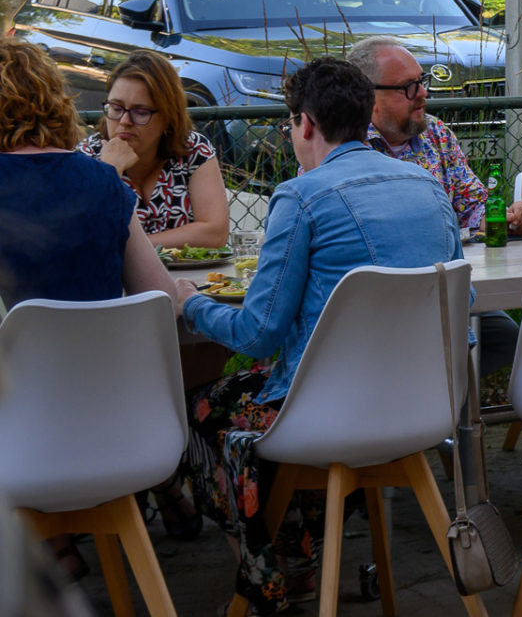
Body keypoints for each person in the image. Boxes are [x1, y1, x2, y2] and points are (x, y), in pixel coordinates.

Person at [175, 57, 465, 615]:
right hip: (423, 407)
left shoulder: (301, 196)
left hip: (330, 413)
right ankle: (302, 557)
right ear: (364, 118)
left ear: (304, 123)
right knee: (270, 398)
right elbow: (462, 302)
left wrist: (193, 305)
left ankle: (275, 573)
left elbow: (259, 334)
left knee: (209, 410)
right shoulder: (429, 186)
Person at [0, 38, 181, 581]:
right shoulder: (105, 183)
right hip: (120, 434)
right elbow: (164, 302)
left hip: (19, 444)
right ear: (55, 101)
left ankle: (53, 550)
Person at [347, 36, 522, 378]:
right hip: (374, 305)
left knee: (508, 339)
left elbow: (474, 205)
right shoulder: (341, 145)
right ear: (367, 96)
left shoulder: (437, 136)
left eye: (422, 81)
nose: (424, 94)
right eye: (408, 87)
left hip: (443, 293)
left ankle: (435, 404)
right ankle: (418, 404)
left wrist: (505, 218)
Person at [76, 50, 229, 249]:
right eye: (116, 108)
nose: (124, 121)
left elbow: (214, 233)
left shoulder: (192, 149)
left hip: (193, 277)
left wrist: (136, 251)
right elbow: (84, 239)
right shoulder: (86, 157)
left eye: (140, 112)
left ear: (167, 117)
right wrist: (110, 172)